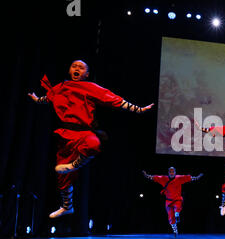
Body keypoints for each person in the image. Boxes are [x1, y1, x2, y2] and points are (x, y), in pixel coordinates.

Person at [28, 60, 154, 218]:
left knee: (93, 144)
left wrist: (138, 110)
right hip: (65, 133)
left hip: (83, 132)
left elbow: (114, 99)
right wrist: (36, 99)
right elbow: (48, 98)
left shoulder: (90, 87)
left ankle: (73, 165)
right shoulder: (60, 87)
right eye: (74, 66)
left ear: (86, 74)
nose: (77, 69)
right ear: (69, 70)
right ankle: (67, 206)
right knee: (62, 177)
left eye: (81, 68)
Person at [142, 167, 203, 236]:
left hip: (177, 199)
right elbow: (153, 178)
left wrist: (197, 177)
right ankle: (175, 230)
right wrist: (146, 175)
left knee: (177, 207)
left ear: (175, 172)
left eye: (173, 172)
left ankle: (177, 214)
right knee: (171, 217)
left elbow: (190, 178)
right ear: (168, 173)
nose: (171, 173)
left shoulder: (179, 178)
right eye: (170, 172)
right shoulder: (164, 179)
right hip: (168, 201)